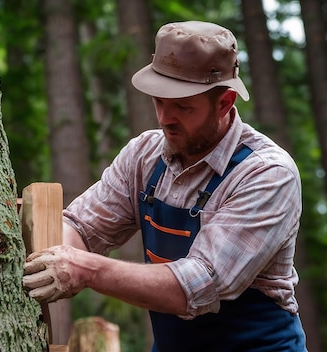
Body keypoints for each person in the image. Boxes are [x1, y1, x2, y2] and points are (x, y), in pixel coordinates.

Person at [23, 20, 307, 352]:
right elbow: (82, 227)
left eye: (183, 107)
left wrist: (86, 270)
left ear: (225, 102)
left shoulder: (266, 174)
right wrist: (52, 253)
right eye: (160, 101)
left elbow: (199, 284)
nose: (165, 118)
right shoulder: (143, 156)